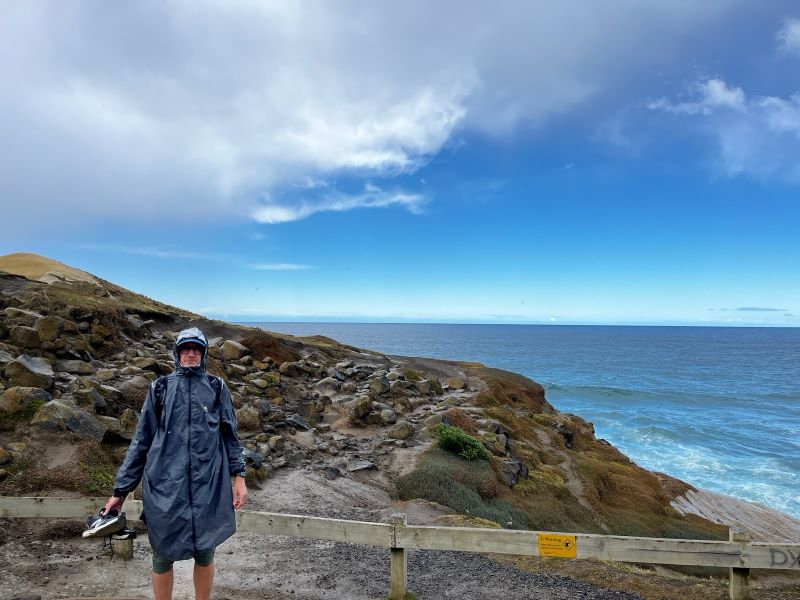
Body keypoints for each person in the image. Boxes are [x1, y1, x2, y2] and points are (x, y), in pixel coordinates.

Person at [102, 327, 248, 600]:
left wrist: (239, 476)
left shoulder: (217, 387)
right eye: (185, 348)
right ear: (177, 353)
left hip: (208, 486)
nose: (191, 353)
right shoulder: (160, 388)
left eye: (196, 349)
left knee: (205, 553)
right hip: (165, 486)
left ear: (203, 354)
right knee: (161, 556)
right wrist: (120, 492)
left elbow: (230, 435)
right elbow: (141, 442)